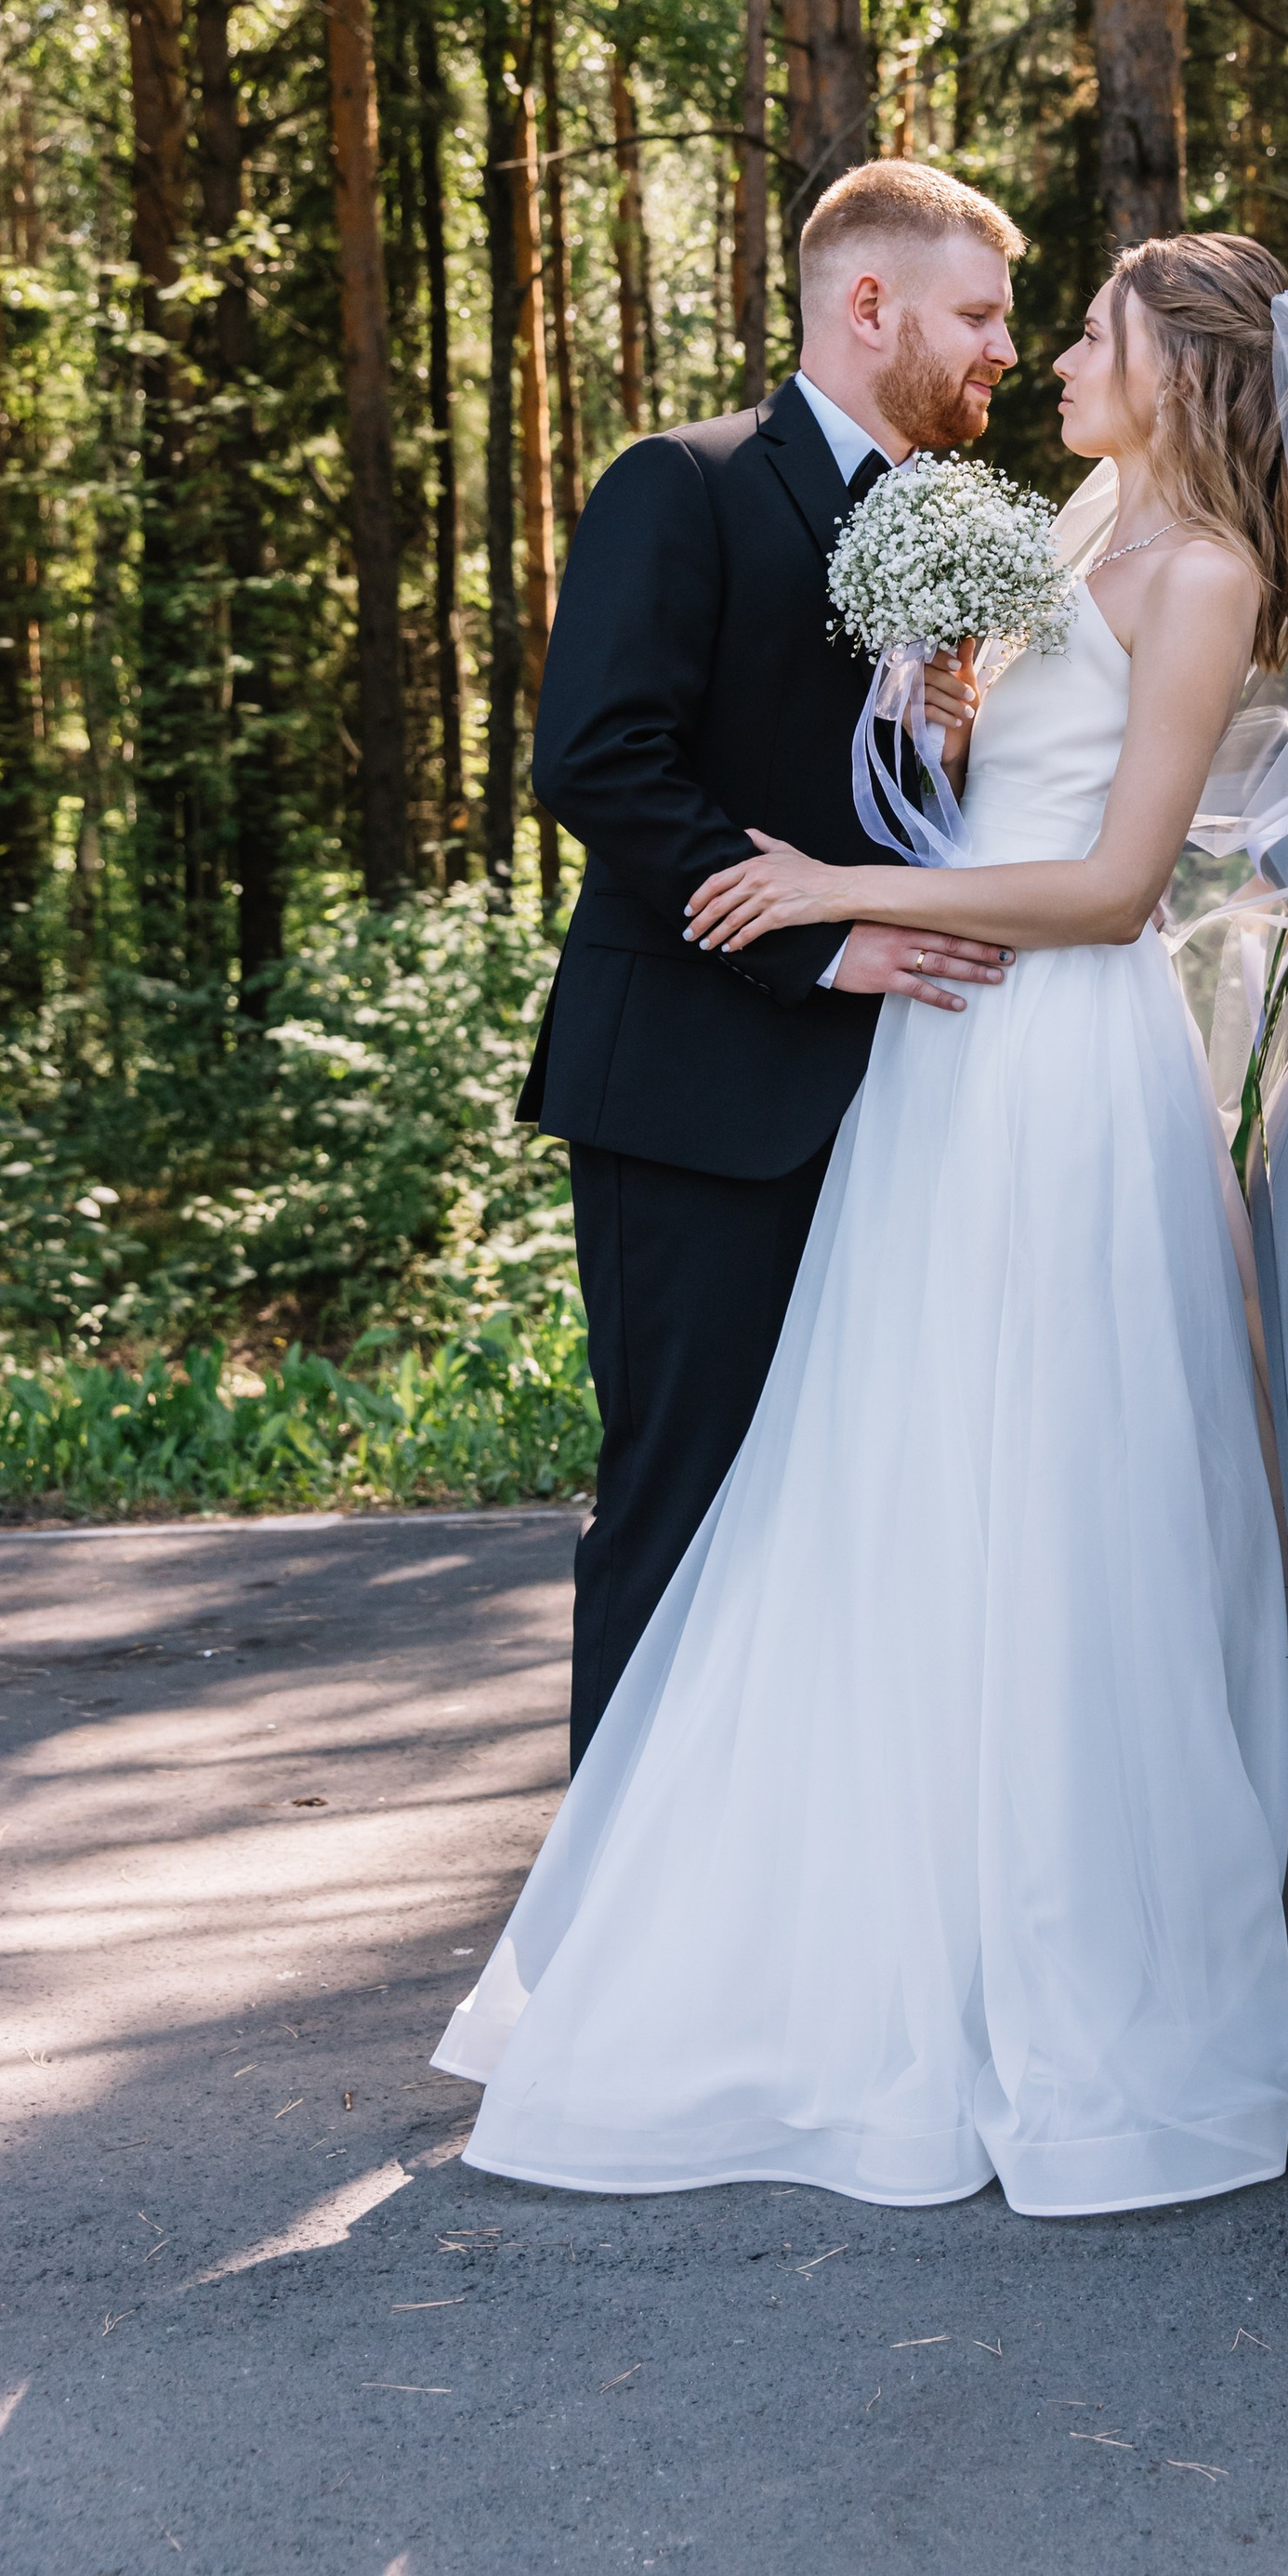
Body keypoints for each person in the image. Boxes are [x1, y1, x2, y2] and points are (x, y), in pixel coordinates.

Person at [438, 234, 1288, 2217]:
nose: (1046, 353)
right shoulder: (1061, 532)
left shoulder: (1203, 574)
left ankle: (1061, 1982)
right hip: (934, 1078)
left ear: (1184, 375)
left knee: (1058, 1512)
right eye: (1022, 321)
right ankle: (824, 1947)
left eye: (1085, 334)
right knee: (876, 1498)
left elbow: (1122, 882)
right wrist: (924, 719)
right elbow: (965, 792)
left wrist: (814, 895)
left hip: (1055, 1069)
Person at [520, 157, 1026, 1768]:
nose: (1005, 347)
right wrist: (816, 942)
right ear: (869, 306)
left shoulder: (949, 529)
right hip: (700, 1093)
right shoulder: (685, 482)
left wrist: (957, 742)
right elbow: (601, 759)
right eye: (980, 313)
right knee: (685, 1499)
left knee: (850, 1511)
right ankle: (606, 1937)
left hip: (902, 1102)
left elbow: (897, 798)